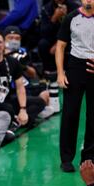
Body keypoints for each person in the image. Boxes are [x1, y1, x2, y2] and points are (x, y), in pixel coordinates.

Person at [0, 31, 45, 128]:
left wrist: (23, 109)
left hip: (7, 100)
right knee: (8, 108)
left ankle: (18, 121)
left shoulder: (12, 61)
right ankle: (17, 121)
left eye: (0, 42)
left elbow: (20, 87)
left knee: (39, 102)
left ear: (4, 44)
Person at [56, 0, 94, 172]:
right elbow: (61, 46)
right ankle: (66, 158)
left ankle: (89, 157)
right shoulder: (70, 17)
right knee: (70, 114)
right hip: (75, 67)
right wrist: (60, 73)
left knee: (93, 115)